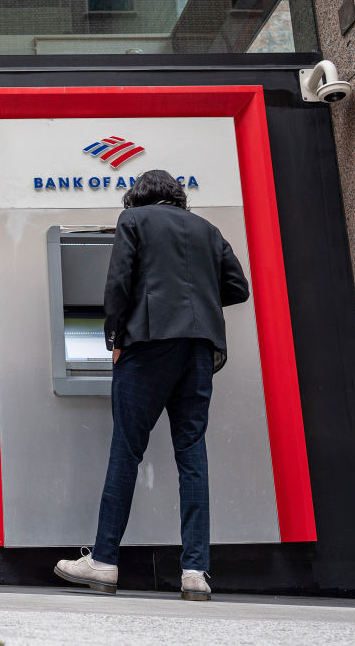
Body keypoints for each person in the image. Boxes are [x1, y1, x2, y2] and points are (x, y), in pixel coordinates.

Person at [54, 169, 250, 601]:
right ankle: (196, 571)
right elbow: (238, 288)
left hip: (147, 346)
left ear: (139, 197)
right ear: (176, 197)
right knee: (192, 454)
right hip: (199, 350)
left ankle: (104, 561)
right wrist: (195, 297)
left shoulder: (134, 221)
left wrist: (114, 338)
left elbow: (118, 283)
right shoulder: (208, 229)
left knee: (126, 449)